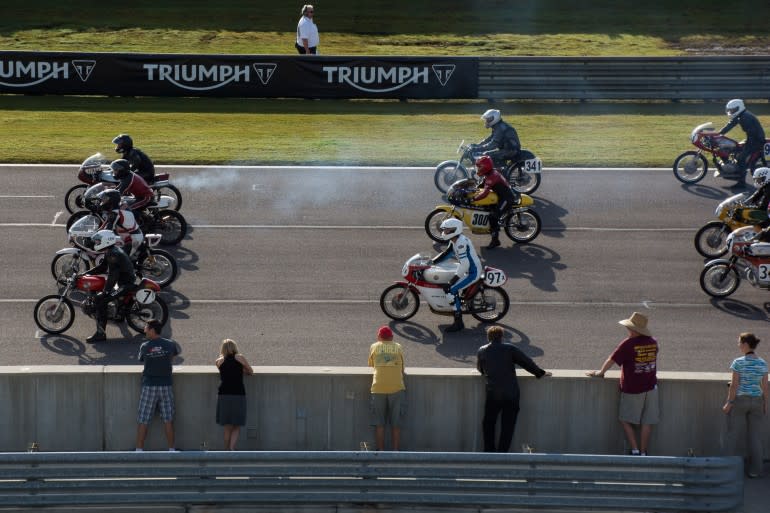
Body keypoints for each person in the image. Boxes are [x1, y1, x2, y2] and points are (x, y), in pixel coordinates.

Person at [587, 312, 659, 456]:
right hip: (651, 387)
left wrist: (600, 373)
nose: (628, 331)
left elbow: (611, 360)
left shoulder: (628, 344)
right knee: (647, 422)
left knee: (625, 420)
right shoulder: (653, 342)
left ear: (634, 330)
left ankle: (635, 450)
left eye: (629, 328)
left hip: (633, 388)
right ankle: (644, 452)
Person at [476, 326, 551, 452]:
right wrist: (540, 373)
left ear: (488, 337)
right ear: (502, 337)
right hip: (511, 393)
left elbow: (481, 369)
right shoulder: (510, 349)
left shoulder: (482, 350)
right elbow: (527, 363)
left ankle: (489, 452)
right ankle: (502, 454)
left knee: (488, 423)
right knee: (508, 426)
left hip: (493, 393)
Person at [722, 332, 768, 478]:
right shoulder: (763, 363)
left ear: (746, 344)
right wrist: (766, 405)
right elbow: (765, 387)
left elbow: (734, 385)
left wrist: (729, 402)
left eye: (740, 342)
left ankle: (727, 469)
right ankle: (756, 470)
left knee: (732, 435)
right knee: (755, 438)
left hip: (740, 401)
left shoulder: (738, 362)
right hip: (757, 401)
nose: (738, 345)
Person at [82, 230, 137, 343]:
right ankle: (119, 315)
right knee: (104, 293)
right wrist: (85, 274)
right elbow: (102, 268)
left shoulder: (113, 254)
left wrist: (105, 292)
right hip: (124, 280)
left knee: (100, 301)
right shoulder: (111, 250)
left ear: (106, 241)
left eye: (98, 241)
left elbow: (113, 275)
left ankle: (100, 334)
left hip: (126, 283)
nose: (96, 243)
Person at [136, 319, 182, 451]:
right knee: (168, 419)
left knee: (143, 419)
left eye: (146, 327)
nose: (144, 330)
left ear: (151, 330)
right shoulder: (170, 344)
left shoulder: (145, 346)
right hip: (166, 385)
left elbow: (142, 360)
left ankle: (139, 450)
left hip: (149, 385)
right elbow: (171, 358)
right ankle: (171, 450)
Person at [431, 218, 482, 332]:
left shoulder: (460, 243)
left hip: (472, 273)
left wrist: (452, 281)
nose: (445, 232)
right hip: (467, 269)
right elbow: (447, 254)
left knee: (451, 290)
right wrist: (431, 262)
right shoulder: (455, 240)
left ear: (455, 229)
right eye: (445, 230)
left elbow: (465, 264)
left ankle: (458, 323)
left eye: (448, 230)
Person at [368, 325, 405, 451]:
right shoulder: (398, 346)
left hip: (378, 388)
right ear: (392, 337)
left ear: (379, 337)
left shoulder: (374, 346)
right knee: (396, 424)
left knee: (379, 424)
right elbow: (402, 368)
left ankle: (381, 451)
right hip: (397, 388)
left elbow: (372, 365)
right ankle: (395, 451)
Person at [472, 155, 519, 249]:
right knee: (487, 208)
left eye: (480, 166)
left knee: (493, 217)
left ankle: (495, 240)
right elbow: (481, 185)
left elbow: (485, 193)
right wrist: (472, 189)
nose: (478, 168)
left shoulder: (492, 176)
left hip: (507, 198)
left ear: (485, 167)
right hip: (501, 196)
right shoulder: (490, 173)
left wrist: (474, 199)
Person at [215, 338, 254, 451]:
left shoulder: (218, 361)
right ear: (234, 347)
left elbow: (226, 372)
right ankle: (232, 449)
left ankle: (226, 450)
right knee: (237, 424)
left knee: (227, 426)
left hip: (223, 394)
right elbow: (250, 371)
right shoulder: (240, 358)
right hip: (238, 393)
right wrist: (243, 370)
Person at [718, 99, 767, 180]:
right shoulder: (741, 115)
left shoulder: (745, 117)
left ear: (739, 108)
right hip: (753, 138)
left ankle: (741, 182)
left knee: (741, 158)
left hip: (756, 141)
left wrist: (746, 145)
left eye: (733, 110)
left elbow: (753, 133)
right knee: (736, 150)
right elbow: (731, 124)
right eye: (730, 110)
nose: (731, 112)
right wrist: (719, 133)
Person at [97, 188, 143, 257]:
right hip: (131, 235)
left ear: (111, 201)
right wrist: (98, 230)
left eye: (105, 199)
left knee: (120, 260)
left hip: (132, 239)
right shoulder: (119, 207)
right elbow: (107, 221)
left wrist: (97, 237)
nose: (103, 201)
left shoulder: (115, 214)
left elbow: (108, 229)